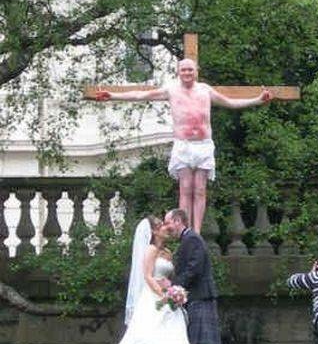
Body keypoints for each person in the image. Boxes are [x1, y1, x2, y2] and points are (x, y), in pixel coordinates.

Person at [90, 58, 273, 233]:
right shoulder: (171, 89)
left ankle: (197, 231)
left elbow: (231, 102)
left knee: (200, 189)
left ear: (196, 72)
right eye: (183, 69)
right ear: (178, 72)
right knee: (185, 188)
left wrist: (258, 100)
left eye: (190, 69)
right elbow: (141, 94)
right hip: (183, 145)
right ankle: (184, 229)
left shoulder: (205, 90)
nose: (187, 72)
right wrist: (112, 95)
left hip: (203, 145)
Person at [108, 215, 206, 344]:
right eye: (162, 226)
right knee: (149, 334)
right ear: (154, 231)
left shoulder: (167, 252)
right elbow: (147, 276)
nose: (166, 228)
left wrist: (173, 291)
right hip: (153, 297)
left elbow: (169, 276)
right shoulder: (151, 250)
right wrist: (164, 295)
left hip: (168, 296)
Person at [163, 208, 222, 344]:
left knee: (204, 342)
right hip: (197, 296)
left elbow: (193, 270)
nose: (167, 227)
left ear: (178, 221)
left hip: (201, 296)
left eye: (168, 222)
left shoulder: (192, 239)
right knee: (198, 341)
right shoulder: (187, 239)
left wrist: (174, 287)